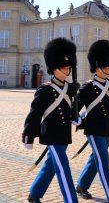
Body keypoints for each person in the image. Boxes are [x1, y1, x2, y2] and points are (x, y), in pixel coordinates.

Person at [22, 38, 79, 203]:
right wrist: (29, 135)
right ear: (54, 68)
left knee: (51, 166)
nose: (67, 70)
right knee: (63, 169)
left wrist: (76, 117)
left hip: (64, 134)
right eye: (64, 67)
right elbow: (35, 114)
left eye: (68, 67)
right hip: (52, 135)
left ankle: (34, 194)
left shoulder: (70, 89)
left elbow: (70, 110)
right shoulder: (45, 90)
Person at [74, 40, 109, 203]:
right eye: (105, 66)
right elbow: (76, 108)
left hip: (108, 129)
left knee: (96, 159)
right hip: (93, 130)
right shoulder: (87, 87)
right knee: (104, 163)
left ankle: (81, 185)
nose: (108, 69)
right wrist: (76, 118)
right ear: (96, 66)